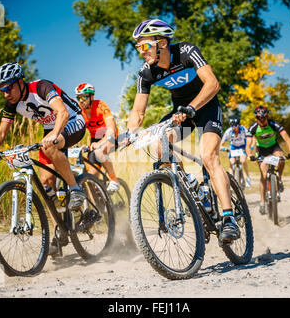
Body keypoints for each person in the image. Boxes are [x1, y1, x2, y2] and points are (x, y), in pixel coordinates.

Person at [125, 19, 240, 242]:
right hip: (180, 113)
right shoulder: (147, 73)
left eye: (144, 46)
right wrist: (128, 134)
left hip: (206, 107)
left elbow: (212, 84)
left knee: (208, 156)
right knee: (160, 144)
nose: (141, 52)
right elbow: (138, 112)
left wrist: (191, 108)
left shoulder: (186, 51)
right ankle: (190, 182)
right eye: (138, 47)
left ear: (162, 43)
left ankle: (229, 218)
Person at [0, 62, 86, 254]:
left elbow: (62, 112)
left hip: (72, 120)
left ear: (20, 82)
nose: (5, 93)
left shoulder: (41, 87)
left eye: (8, 87)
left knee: (51, 145)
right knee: (47, 185)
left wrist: (55, 134)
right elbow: (2, 134)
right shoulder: (11, 103)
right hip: (51, 130)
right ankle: (59, 231)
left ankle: (75, 188)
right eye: (1, 89)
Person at [246, 105, 290, 214]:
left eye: (264, 118)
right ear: (256, 118)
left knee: (281, 159)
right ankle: (262, 202)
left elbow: (287, 138)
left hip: (274, 148)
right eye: (259, 118)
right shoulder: (253, 127)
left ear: (267, 117)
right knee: (263, 175)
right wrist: (249, 154)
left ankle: (279, 178)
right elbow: (248, 144)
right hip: (261, 150)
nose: (262, 121)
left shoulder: (273, 124)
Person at [74, 83, 120, 192]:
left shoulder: (101, 106)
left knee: (99, 152)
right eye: (78, 97)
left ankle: (114, 180)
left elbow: (111, 129)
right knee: (91, 175)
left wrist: (101, 143)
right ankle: (99, 204)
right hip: (95, 140)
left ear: (91, 96)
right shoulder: (79, 111)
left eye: (84, 97)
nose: (81, 100)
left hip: (110, 137)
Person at [220, 117, 251, 187]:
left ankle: (247, 178)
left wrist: (250, 147)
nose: (234, 127)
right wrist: (224, 148)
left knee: (243, 160)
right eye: (232, 125)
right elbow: (221, 144)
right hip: (233, 148)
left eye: (235, 125)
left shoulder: (243, 129)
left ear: (239, 125)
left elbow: (250, 138)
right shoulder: (228, 131)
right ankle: (230, 181)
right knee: (232, 162)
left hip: (242, 147)